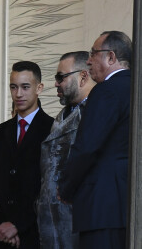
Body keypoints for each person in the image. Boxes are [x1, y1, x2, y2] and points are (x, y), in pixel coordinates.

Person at [58, 31, 132, 249]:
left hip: (103, 206)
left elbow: (87, 147)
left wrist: (67, 187)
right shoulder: (135, 88)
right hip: (130, 206)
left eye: (93, 53)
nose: (89, 61)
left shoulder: (106, 91)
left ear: (111, 57)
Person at [0, 61, 54, 249]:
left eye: (25, 87)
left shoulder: (52, 129)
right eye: (13, 87)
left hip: (35, 234)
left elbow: (47, 187)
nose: (18, 94)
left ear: (39, 88)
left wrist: (18, 225)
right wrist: (0, 224)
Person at [37, 51, 95, 249]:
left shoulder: (94, 113)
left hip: (78, 221)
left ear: (83, 76)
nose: (56, 83)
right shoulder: (63, 115)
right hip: (52, 223)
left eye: (61, 77)